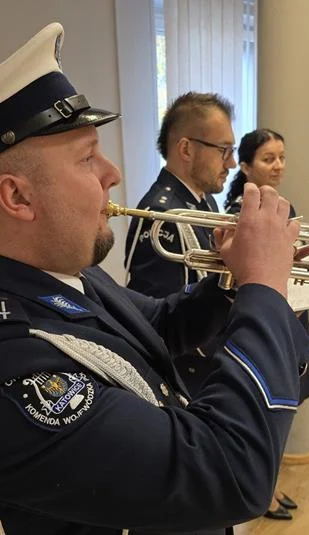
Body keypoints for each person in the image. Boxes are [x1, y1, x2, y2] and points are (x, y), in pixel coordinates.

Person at [0, 22, 309, 535]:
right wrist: (266, 289)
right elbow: (231, 471)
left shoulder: (67, 273)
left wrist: (229, 282)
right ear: (18, 197)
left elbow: (160, 325)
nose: (112, 173)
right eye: (87, 157)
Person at [224, 128, 309, 521]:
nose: (278, 166)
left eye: (281, 157)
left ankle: (271, 479)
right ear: (245, 167)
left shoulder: (281, 210)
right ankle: (263, 488)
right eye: (267, 159)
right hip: (263, 323)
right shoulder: (239, 216)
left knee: (284, 404)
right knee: (263, 409)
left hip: (290, 319)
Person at [124, 92, 233, 394]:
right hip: (189, 377)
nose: (232, 163)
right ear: (186, 149)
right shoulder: (163, 216)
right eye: (223, 150)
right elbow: (160, 321)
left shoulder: (203, 200)